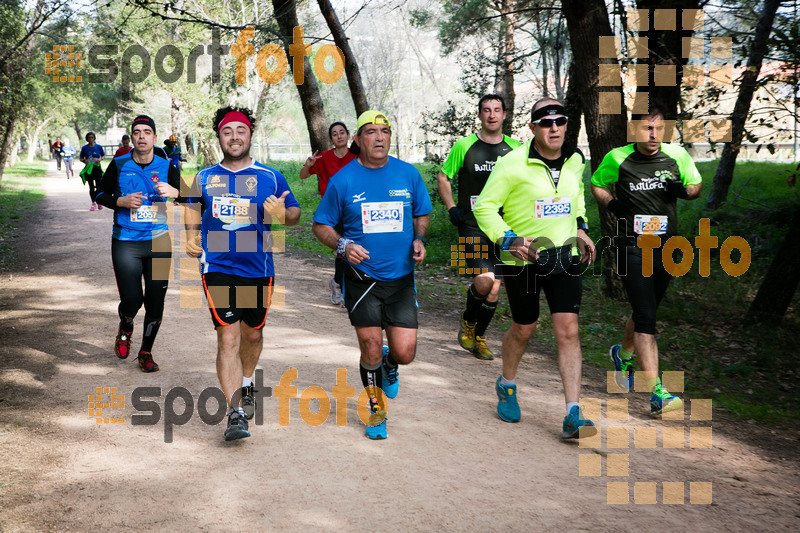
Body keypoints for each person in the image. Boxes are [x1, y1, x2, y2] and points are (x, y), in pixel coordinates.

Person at [473, 98, 597, 439]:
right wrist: (509, 238)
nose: (553, 127)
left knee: (568, 330)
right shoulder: (512, 163)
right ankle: (507, 383)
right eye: (545, 122)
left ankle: (573, 412)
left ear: (567, 124)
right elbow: (484, 207)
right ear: (532, 128)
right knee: (524, 328)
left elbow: (578, 197)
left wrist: (582, 227)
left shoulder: (575, 160)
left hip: (564, 256)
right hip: (522, 259)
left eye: (560, 121)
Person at [312, 110, 432, 440]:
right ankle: (376, 410)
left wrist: (419, 238)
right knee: (370, 349)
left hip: (401, 279)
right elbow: (320, 225)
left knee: (405, 353)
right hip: (362, 279)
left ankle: (391, 366)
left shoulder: (408, 175)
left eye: (384, 131)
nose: (379, 137)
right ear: (357, 140)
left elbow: (422, 212)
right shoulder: (343, 181)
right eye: (370, 132)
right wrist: (342, 245)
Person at [184, 106, 301, 441]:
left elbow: (293, 213)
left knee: (252, 335)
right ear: (219, 136)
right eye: (227, 131)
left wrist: (282, 214)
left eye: (240, 130)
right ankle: (235, 412)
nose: (234, 136)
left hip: (258, 268)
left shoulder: (270, 176)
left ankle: (248, 383)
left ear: (251, 134)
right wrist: (192, 236)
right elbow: (192, 206)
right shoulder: (204, 177)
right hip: (217, 268)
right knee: (228, 337)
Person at [590, 100, 703, 417]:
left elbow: (696, 186)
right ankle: (657, 393)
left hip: (667, 246)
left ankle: (623, 354)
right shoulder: (618, 157)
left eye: (658, 128)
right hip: (631, 246)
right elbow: (597, 183)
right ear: (635, 130)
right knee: (647, 319)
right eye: (647, 128)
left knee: (646, 311)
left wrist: (683, 190)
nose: (653, 134)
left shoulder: (677, 155)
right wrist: (612, 205)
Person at [437, 94, 521, 360]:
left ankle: (479, 337)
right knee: (485, 282)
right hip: (472, 225)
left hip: (503, 227)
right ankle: (468, 321)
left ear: (504, 115)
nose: (492, 115)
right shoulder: (464, 146)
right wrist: (452, 208)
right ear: (480, 115)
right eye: (486, 110)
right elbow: (443, 176)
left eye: (497, 110)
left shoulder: (517, 148)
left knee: (495, 288)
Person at [95, 115, 181, 373]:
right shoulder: (119, 164)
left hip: (158, 241)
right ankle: (126, 325)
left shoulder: (166, 166)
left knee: (156, 301)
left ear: (154, 138)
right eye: (137, 132)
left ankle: (145, 352)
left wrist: (177, 193)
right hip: (126, 242)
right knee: (132, 300)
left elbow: (191, 197)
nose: (142, 136)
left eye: (147, 132)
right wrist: (119, 201)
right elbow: (99, 193)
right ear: (132, 138)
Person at [299, 121, 357, 306]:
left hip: (354, 209)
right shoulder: (323, 158)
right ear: (331, 139)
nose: (339, 136)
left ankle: (349, 285)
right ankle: (338, 284)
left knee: (354, 246)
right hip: (333, 211)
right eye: (334, 133)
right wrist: (308, 165)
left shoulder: (357, 157)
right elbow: (302, 175)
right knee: (343, 246)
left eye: (342, 132)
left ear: (348, 135)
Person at [79, 131, 106, 211]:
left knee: (98, 187)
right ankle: (93, 203)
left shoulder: (98, 147)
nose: (91, 139)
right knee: (91, 187)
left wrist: (100, 159)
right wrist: (85, 161)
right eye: (89, 138)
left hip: (97, 169)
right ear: (87, 139)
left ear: (94, 138)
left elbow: (103, 156)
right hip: (89, 170)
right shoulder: (84, 148)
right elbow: (81, 158)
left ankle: (99, 202)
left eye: (92, 137)